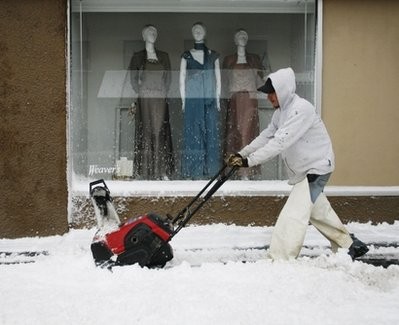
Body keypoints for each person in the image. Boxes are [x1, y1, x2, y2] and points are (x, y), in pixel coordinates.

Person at [226, 67, 369, 260]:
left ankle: (280, 259)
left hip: (316, 168)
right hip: (305, 170)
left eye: (272, 93)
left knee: (294, 214)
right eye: (268, 94)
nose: (269, 97)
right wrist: (241, 154)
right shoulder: (280, 113)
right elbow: (266, 136)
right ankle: (349, 245)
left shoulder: (301, 109)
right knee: (319, 212)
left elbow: (280, 142)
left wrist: (248, 162)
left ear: (283, 90)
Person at [128, 24, 174, 180]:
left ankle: (161, 171)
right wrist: (140, 93)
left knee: (159, 132)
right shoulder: (138, 56)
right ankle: (146, 172)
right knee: (146, 133)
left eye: (154, 31)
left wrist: (162, 93)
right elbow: (133, 79)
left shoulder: (164, 56)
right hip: (145, 99)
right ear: (143, 36)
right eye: (149, 31)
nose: (152, 34)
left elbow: (169, 79)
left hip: (160, 99)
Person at [179, 22, 221, 179]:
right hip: (193, 99)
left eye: (200, 29)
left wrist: (217, 99)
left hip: (209, 99)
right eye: (194, 29)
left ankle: (211, 171)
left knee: (210, 133)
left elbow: (218, 78)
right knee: (193, 134)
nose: (197, 31)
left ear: (205, 32)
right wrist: (184, 100)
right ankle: (193, 171)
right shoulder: (186, 56)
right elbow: (181, 78)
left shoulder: (213, 55)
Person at [222, 29, 264, 179]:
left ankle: (247, 170)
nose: (242, 37)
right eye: (239, 35)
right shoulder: (228, 60)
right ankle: (236, 170)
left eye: (245, 35)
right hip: (234, 101)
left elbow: (260, 82)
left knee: (248, 134)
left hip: (250, 100)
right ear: (234, 39)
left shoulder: (254, 59)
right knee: (236, 133)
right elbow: (225, 82)